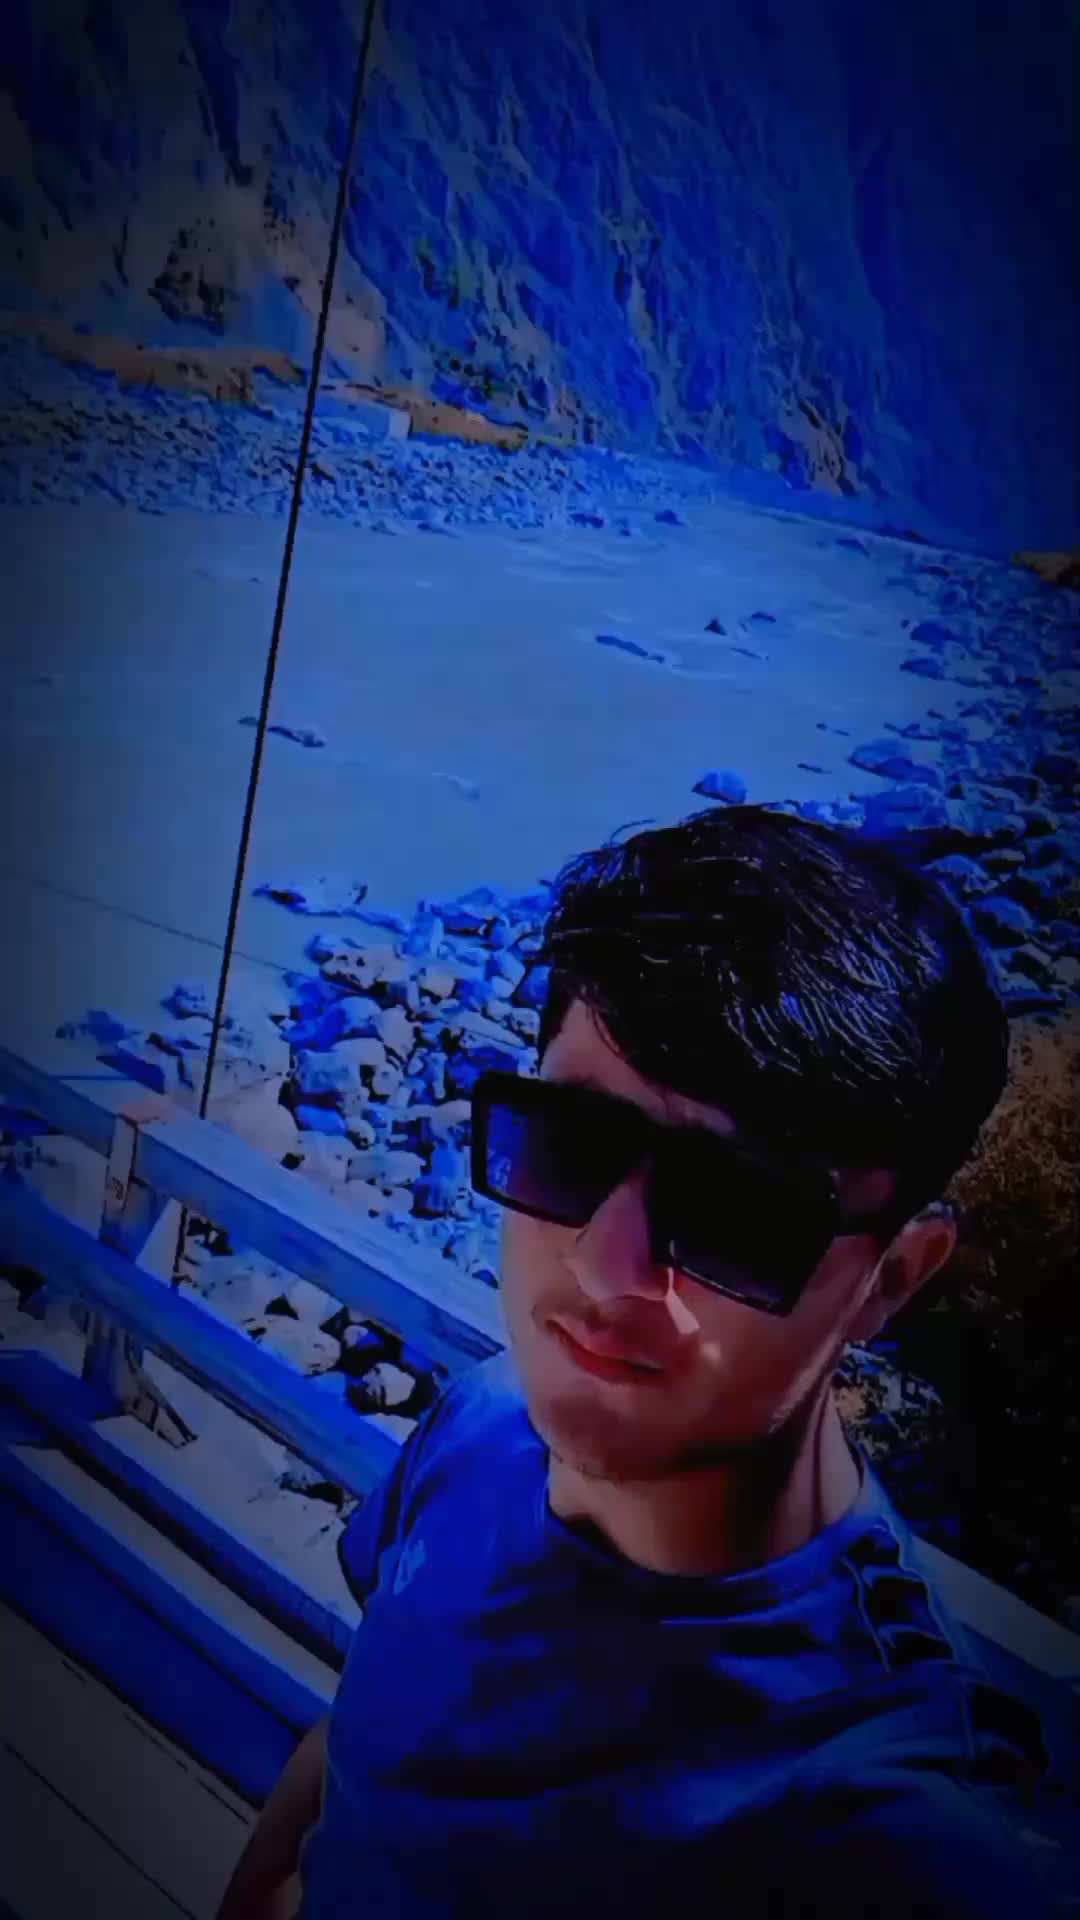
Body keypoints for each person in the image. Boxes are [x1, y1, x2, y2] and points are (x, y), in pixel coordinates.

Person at [217, 805, 1057, 1920]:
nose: (607, 1267)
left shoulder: (882, 1827)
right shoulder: (483, 1426)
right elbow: (362, 1750)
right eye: (572, 1143)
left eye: (737, 1210)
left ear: (892, 1279)